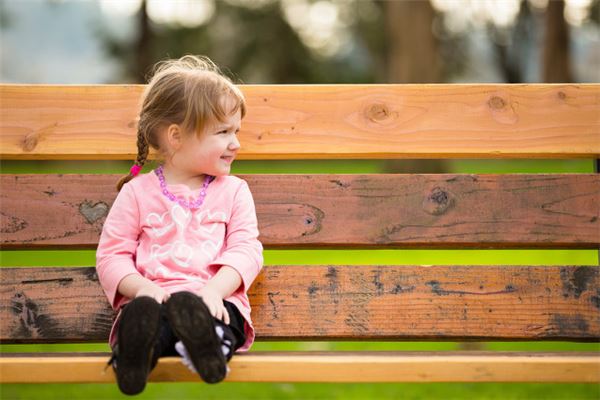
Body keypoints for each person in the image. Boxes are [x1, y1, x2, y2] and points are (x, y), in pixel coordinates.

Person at [95, 55, 263, 396]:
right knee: (143, 319)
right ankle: (135, 356)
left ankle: (209, 346)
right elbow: (112, 256)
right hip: (153, 300)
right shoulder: (137, 193)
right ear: (176, 136)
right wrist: (142, 290)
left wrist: (216, 290)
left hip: (212, 299)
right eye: (223, 132)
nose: (236, 143)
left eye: (237, 131)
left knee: (222, 318)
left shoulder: (234, 192)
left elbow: (247, 250)